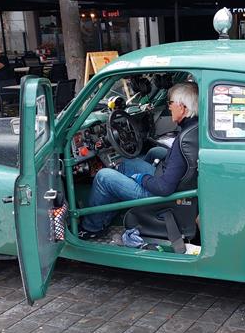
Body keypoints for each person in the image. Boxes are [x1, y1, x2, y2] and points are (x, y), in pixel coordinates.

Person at [80, 82, 199, 238]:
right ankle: (106, 217)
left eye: (170, 103)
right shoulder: (193, 128)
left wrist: (141, 178)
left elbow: (164, 188)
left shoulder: (183, 140)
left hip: (162, 194)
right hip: (165, 178)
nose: (169, 107)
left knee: (104, 177)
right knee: (124, 164)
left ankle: (91, 229)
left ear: (182, 107)